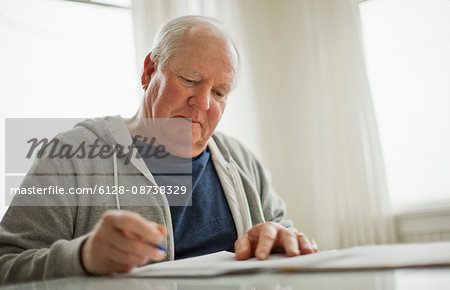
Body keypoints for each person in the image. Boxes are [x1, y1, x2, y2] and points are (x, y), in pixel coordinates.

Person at [0, 15, 317, 284]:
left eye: (220, 92)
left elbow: (284, 235)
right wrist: (81, 258)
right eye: (190, 79)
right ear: (149, 71)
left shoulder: (243, 161)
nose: (203, 103)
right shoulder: (69, 157)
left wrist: (281, 242)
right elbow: (6, 266)